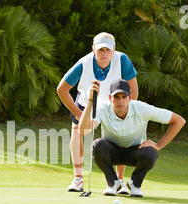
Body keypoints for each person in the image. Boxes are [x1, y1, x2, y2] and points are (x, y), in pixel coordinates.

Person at [57, 32, 138, 194]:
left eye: (108, 50)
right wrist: (78, 114)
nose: (104, 53)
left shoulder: (123, 60)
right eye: (100, 50)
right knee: (76, 130)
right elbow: (62, 89)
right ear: (93, 49)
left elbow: (133, 91)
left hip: (112, 102)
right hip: (87, 101)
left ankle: (119, 181)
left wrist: (125, 112)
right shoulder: (84, 63)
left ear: (113, 50)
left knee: (120, 134)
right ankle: (78, 178)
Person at [78, 79, 186, 197]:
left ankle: (135, 183)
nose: (120, 101)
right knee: (97, 145)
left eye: (124, 97)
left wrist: (158, 145)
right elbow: (83, 130)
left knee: (151, 152)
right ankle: (113, 183)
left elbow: (179, 121)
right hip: (112, 152)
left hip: (135, 152)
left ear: (130, 98)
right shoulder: (103, 109)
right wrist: (90, 101)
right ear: (110, 98)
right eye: (116, 97)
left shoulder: (142, 108)